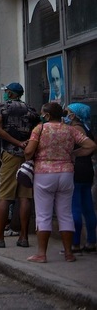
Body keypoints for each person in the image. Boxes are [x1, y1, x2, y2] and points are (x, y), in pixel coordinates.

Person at [23, 102, 96, 263]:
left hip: (44, 174)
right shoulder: (70, 130)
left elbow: (28, 152)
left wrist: (31, 152)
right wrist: (73, 154)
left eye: (43, 113)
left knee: (43, 214)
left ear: (47, 115)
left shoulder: (40, 129)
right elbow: (91, 145)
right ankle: (69, 253)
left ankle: (41, 254)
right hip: (66, 174)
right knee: (65, 214)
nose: (41, 116)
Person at [0, 83, 39, 248]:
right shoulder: (31, 109)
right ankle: (23, 237)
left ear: (10, 93)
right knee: (25, 197)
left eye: (7, 91)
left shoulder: (1, 107)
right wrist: (27, 144)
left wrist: (17, 143)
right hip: (27, 156)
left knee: (5, 196)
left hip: (10, 154)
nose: (6, 94)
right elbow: (38, 129)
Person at [65, 103, 97, 253]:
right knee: (88, 207)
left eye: (68, 112)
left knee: (75, 208)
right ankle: (91, 241)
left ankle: (75, 243)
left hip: (77, 169)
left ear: (74, 115)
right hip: (87, 170)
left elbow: (84, 147)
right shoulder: (88, 128)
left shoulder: (76, 129)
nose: (66, 115)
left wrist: (74, 154)